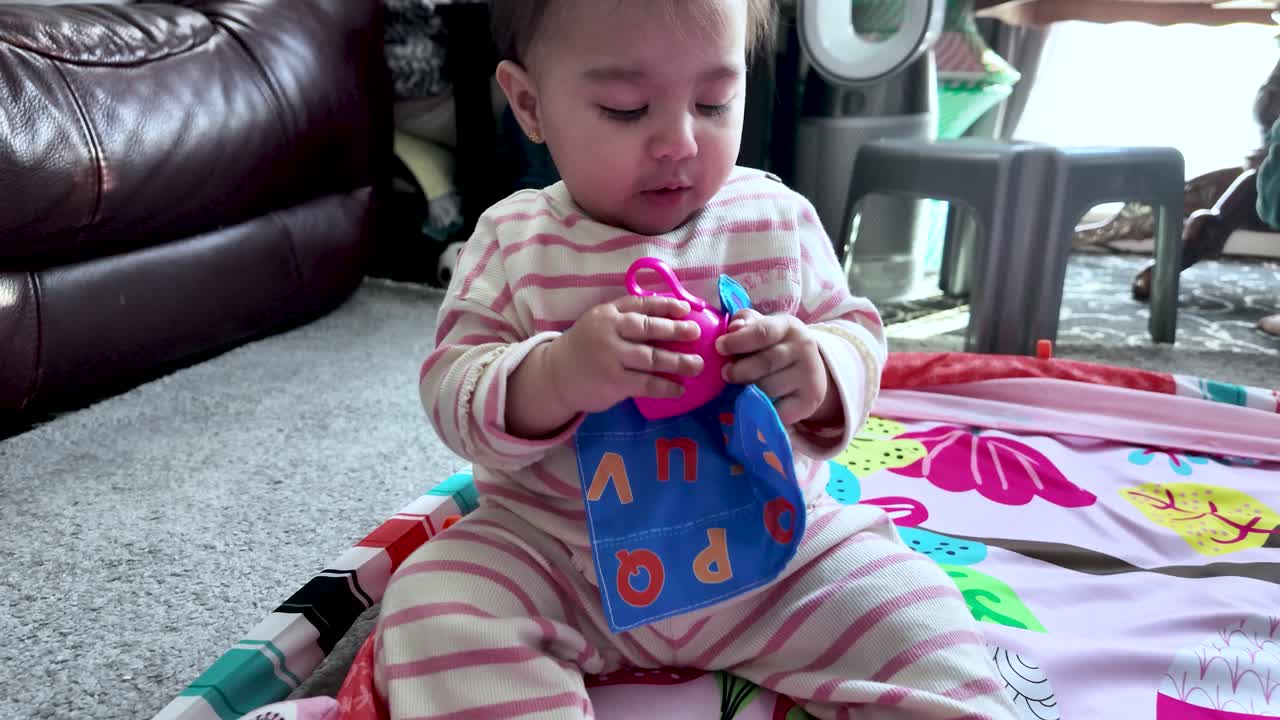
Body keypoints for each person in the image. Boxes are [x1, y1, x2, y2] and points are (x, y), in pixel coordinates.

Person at [374, 1, 1018, 718]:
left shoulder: (775, 217)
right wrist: (557, 374)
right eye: (625, 108)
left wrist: (817, 370)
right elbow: (454, 390)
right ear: (531, 104)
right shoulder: (512, 240)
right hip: (563, 562)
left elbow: (855, 332)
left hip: (777, 556)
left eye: (714, 101)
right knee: (435, 598)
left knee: (917, 605)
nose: (679, 140)